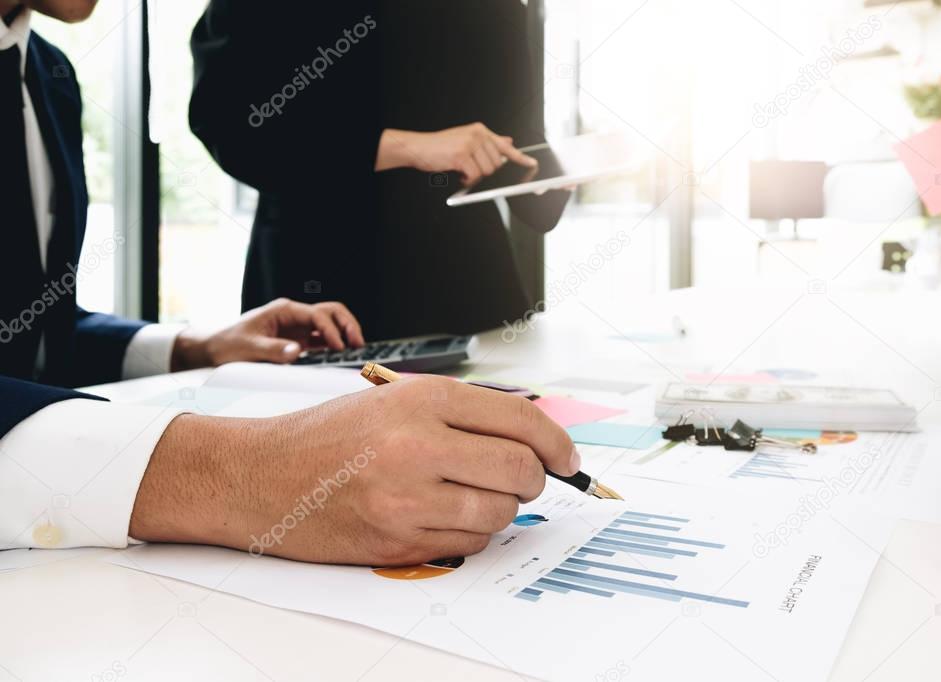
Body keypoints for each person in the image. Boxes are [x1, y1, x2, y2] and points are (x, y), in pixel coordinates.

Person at [0, 0, 580, 566]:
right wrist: (246, 472)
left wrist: (189, 346)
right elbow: (233, 117)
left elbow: (38, 336)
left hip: (466, 296)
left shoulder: (49, 77)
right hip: (328, 267)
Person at [189, 0, 571, 340]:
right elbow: (232, 125)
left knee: (491, 414)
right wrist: (413, 148)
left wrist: (563, 170)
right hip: (323, 283)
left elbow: (517, 136)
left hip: (469, 289)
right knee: (327, 416)